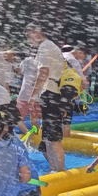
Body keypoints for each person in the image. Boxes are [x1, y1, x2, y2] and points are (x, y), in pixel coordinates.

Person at [25, 23, 66, 173]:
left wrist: (33, 96)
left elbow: (43, 72)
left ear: (37, 33)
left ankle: (59, 171)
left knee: (53, 137)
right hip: (53, 93)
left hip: (50, 93)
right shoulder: (50, 46)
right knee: (49, 137)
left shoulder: (44, 47)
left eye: (28, 36)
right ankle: (54, 169)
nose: (28, 40)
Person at [61, 45, 89, 137]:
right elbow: (83, 80)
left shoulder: (60, 56)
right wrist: (84, 83)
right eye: (83, 55)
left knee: (58, 118)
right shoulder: (72, 59)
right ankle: (66, 141)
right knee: (66, 120)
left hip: (55, 90)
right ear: (79, 52)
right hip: (66, 91)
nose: (83, 58)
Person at [16, 54, 39, 124]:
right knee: (34, 116)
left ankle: (30, 131)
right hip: (36, 95)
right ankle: (35, 130)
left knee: (20, 118)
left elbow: (18, 70)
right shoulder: (43, 61)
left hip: (25, 94)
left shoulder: (26, 61)